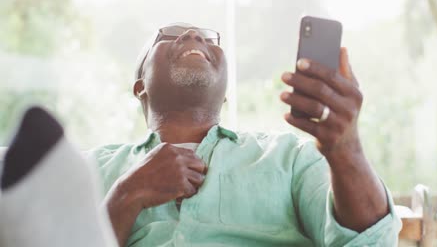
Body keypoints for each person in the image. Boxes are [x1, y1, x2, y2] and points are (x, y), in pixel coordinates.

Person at [90, 22, 402, 247]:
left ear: (224, 93)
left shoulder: (292, 157)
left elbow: (372, 241)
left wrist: (347, 150)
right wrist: (126, 195)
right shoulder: (89, 170)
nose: (193, 35)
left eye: (210, 39)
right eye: (169, 34)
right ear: (139, 85)